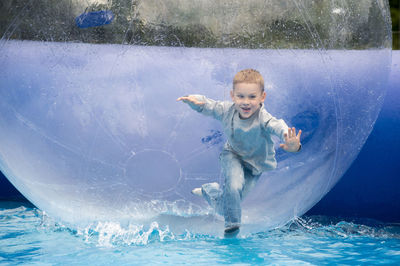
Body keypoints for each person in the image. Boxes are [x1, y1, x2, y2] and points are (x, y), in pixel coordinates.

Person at [177, 69, 301, 234]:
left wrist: (291, 142)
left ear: (262, 97)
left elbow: (278, 126)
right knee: (234, 187)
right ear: (232, 95)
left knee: (228, 204)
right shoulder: (227, 110)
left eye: (252, 97)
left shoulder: (263, 118)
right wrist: (196, 101)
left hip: (255, 166)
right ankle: (232, 226)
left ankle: (209, 190)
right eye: (241, 96)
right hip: (232, 155)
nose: (246, 102)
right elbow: (210, 105)